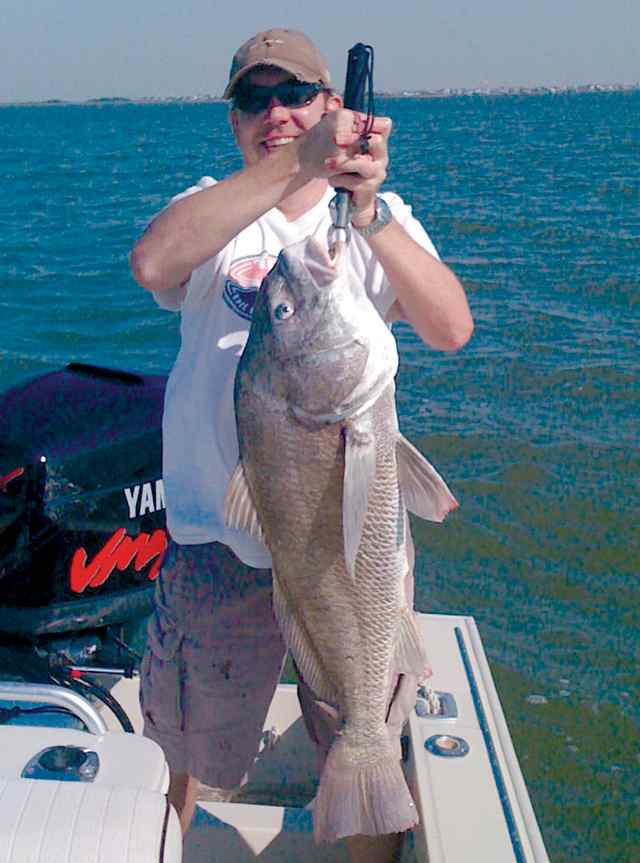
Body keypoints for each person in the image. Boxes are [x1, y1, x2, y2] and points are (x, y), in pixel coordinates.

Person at [130, 27, 473, 863]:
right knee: (184, 751)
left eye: (293, 95)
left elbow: (451, 327)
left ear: (331, 104)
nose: (275, 113)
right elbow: (152, 263)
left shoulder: (371, 221)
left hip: (348, 556)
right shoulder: (214, 208)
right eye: (254, 99)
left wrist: (369, 212)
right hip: (218, 545)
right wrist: (297, 165)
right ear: (234, 121)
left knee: (363, 730)